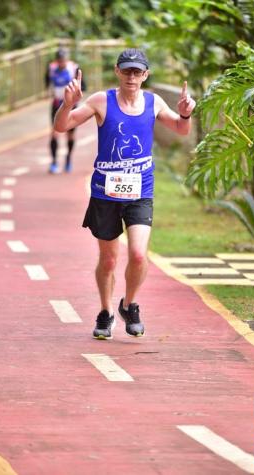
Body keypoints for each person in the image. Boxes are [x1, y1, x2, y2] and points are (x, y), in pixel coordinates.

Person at [54, 48, 196, 339]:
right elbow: (61, 126)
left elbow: (181, 130)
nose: (131, 76)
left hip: (140, 191)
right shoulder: (100, 101)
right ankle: (106, 312)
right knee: (108, 260)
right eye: (126, 70)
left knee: (139, 255)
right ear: (117, 72)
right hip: (105, 193)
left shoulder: (153, 102)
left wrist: (185, 113)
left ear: (145, 75)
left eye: (137, 72)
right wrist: (67, 104)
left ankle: (129, 304)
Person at [45, 48, 85, 173]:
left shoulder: (74, 68)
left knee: (70, 135)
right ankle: (54, 162)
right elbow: (46, 82)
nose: (61, 63)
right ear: (56, 60)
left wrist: (74, 91)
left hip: (71, 105)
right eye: (59, 61)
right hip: (57, 104)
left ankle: (68, 160)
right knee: (54, 132)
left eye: (63, 60)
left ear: (67, 59)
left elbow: (83, 85)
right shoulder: (51, 68)